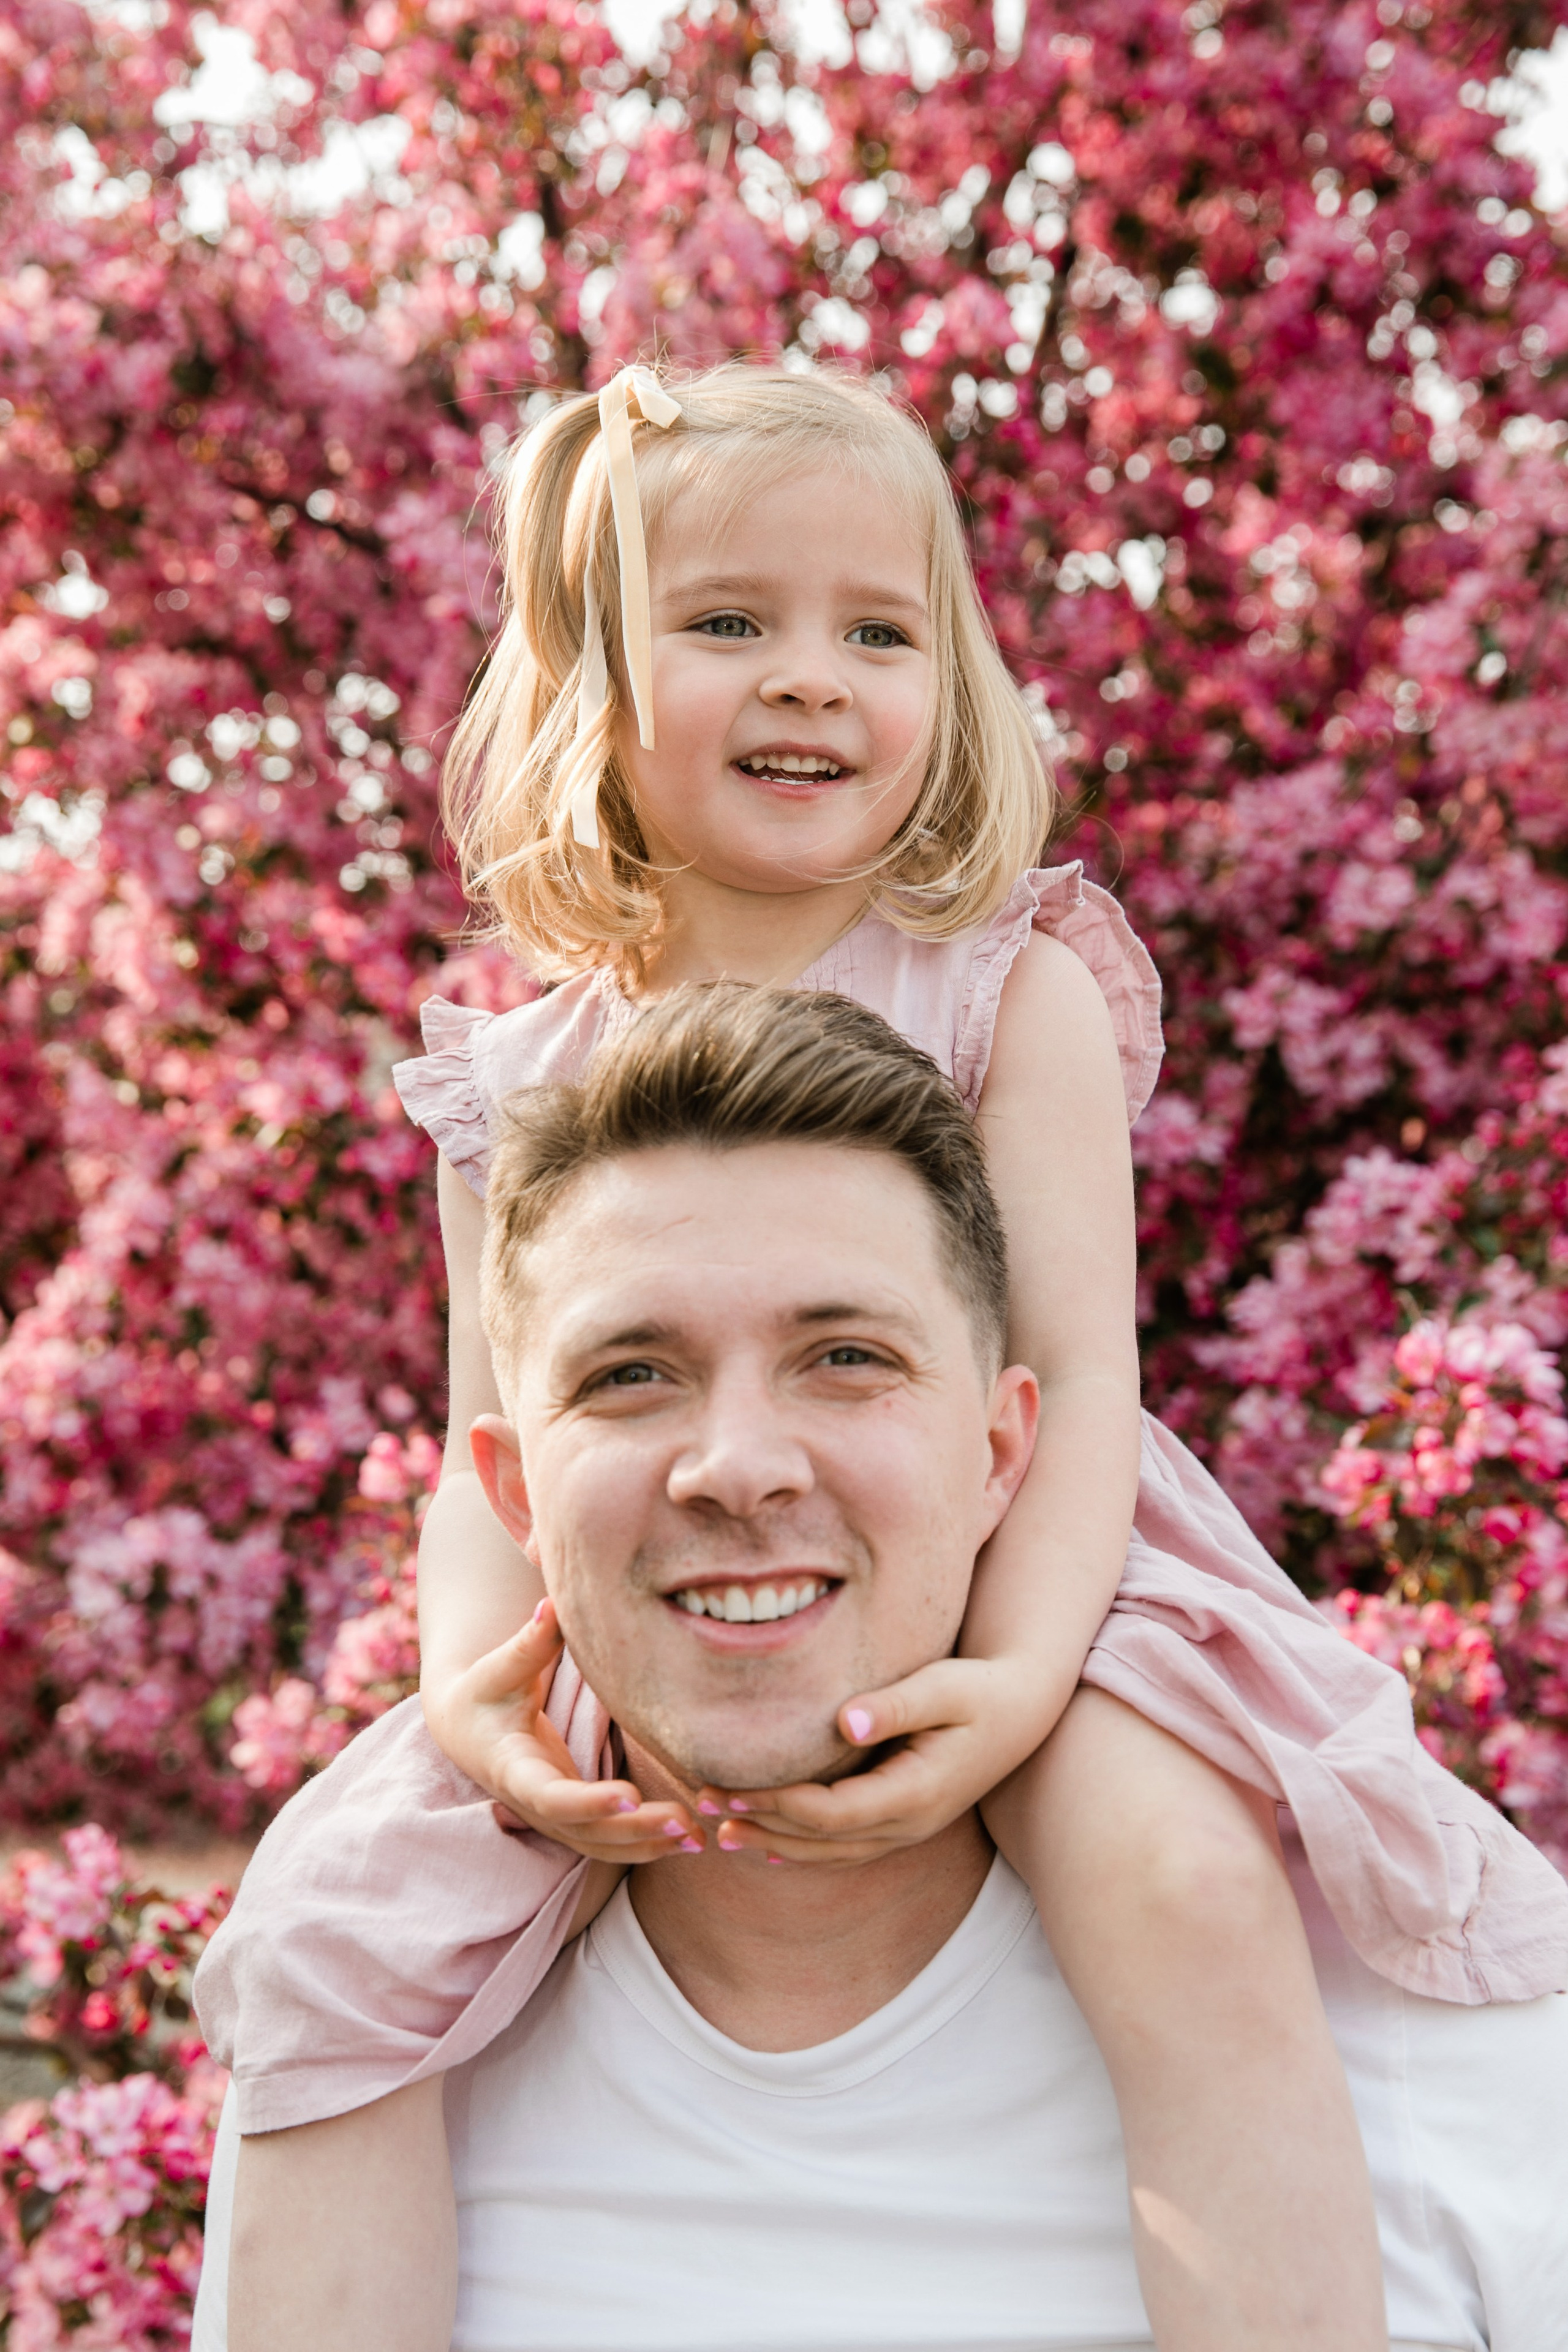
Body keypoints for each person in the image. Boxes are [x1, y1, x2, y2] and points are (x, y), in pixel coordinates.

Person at [194, 364, 1568, 2350]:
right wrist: (472, 1716)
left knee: (1179, 1888)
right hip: (645, 1608)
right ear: (596, 676)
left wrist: (1014, 1685)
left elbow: (1077, 1380)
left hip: (1043, 1579)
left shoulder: (1012, 984)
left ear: (955, 681)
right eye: (730, 623)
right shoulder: (525, 1073)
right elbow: (489, 1439)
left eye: (877, 630)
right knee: (343, 1929)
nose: (811, 679)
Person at [194, 982, 1568, 2352]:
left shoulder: (1461, 2089)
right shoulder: (366, 2055)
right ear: (511, 1495)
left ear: (999, 1455)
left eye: (845, 1358)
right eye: (629, 1374)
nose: (736, 1467)